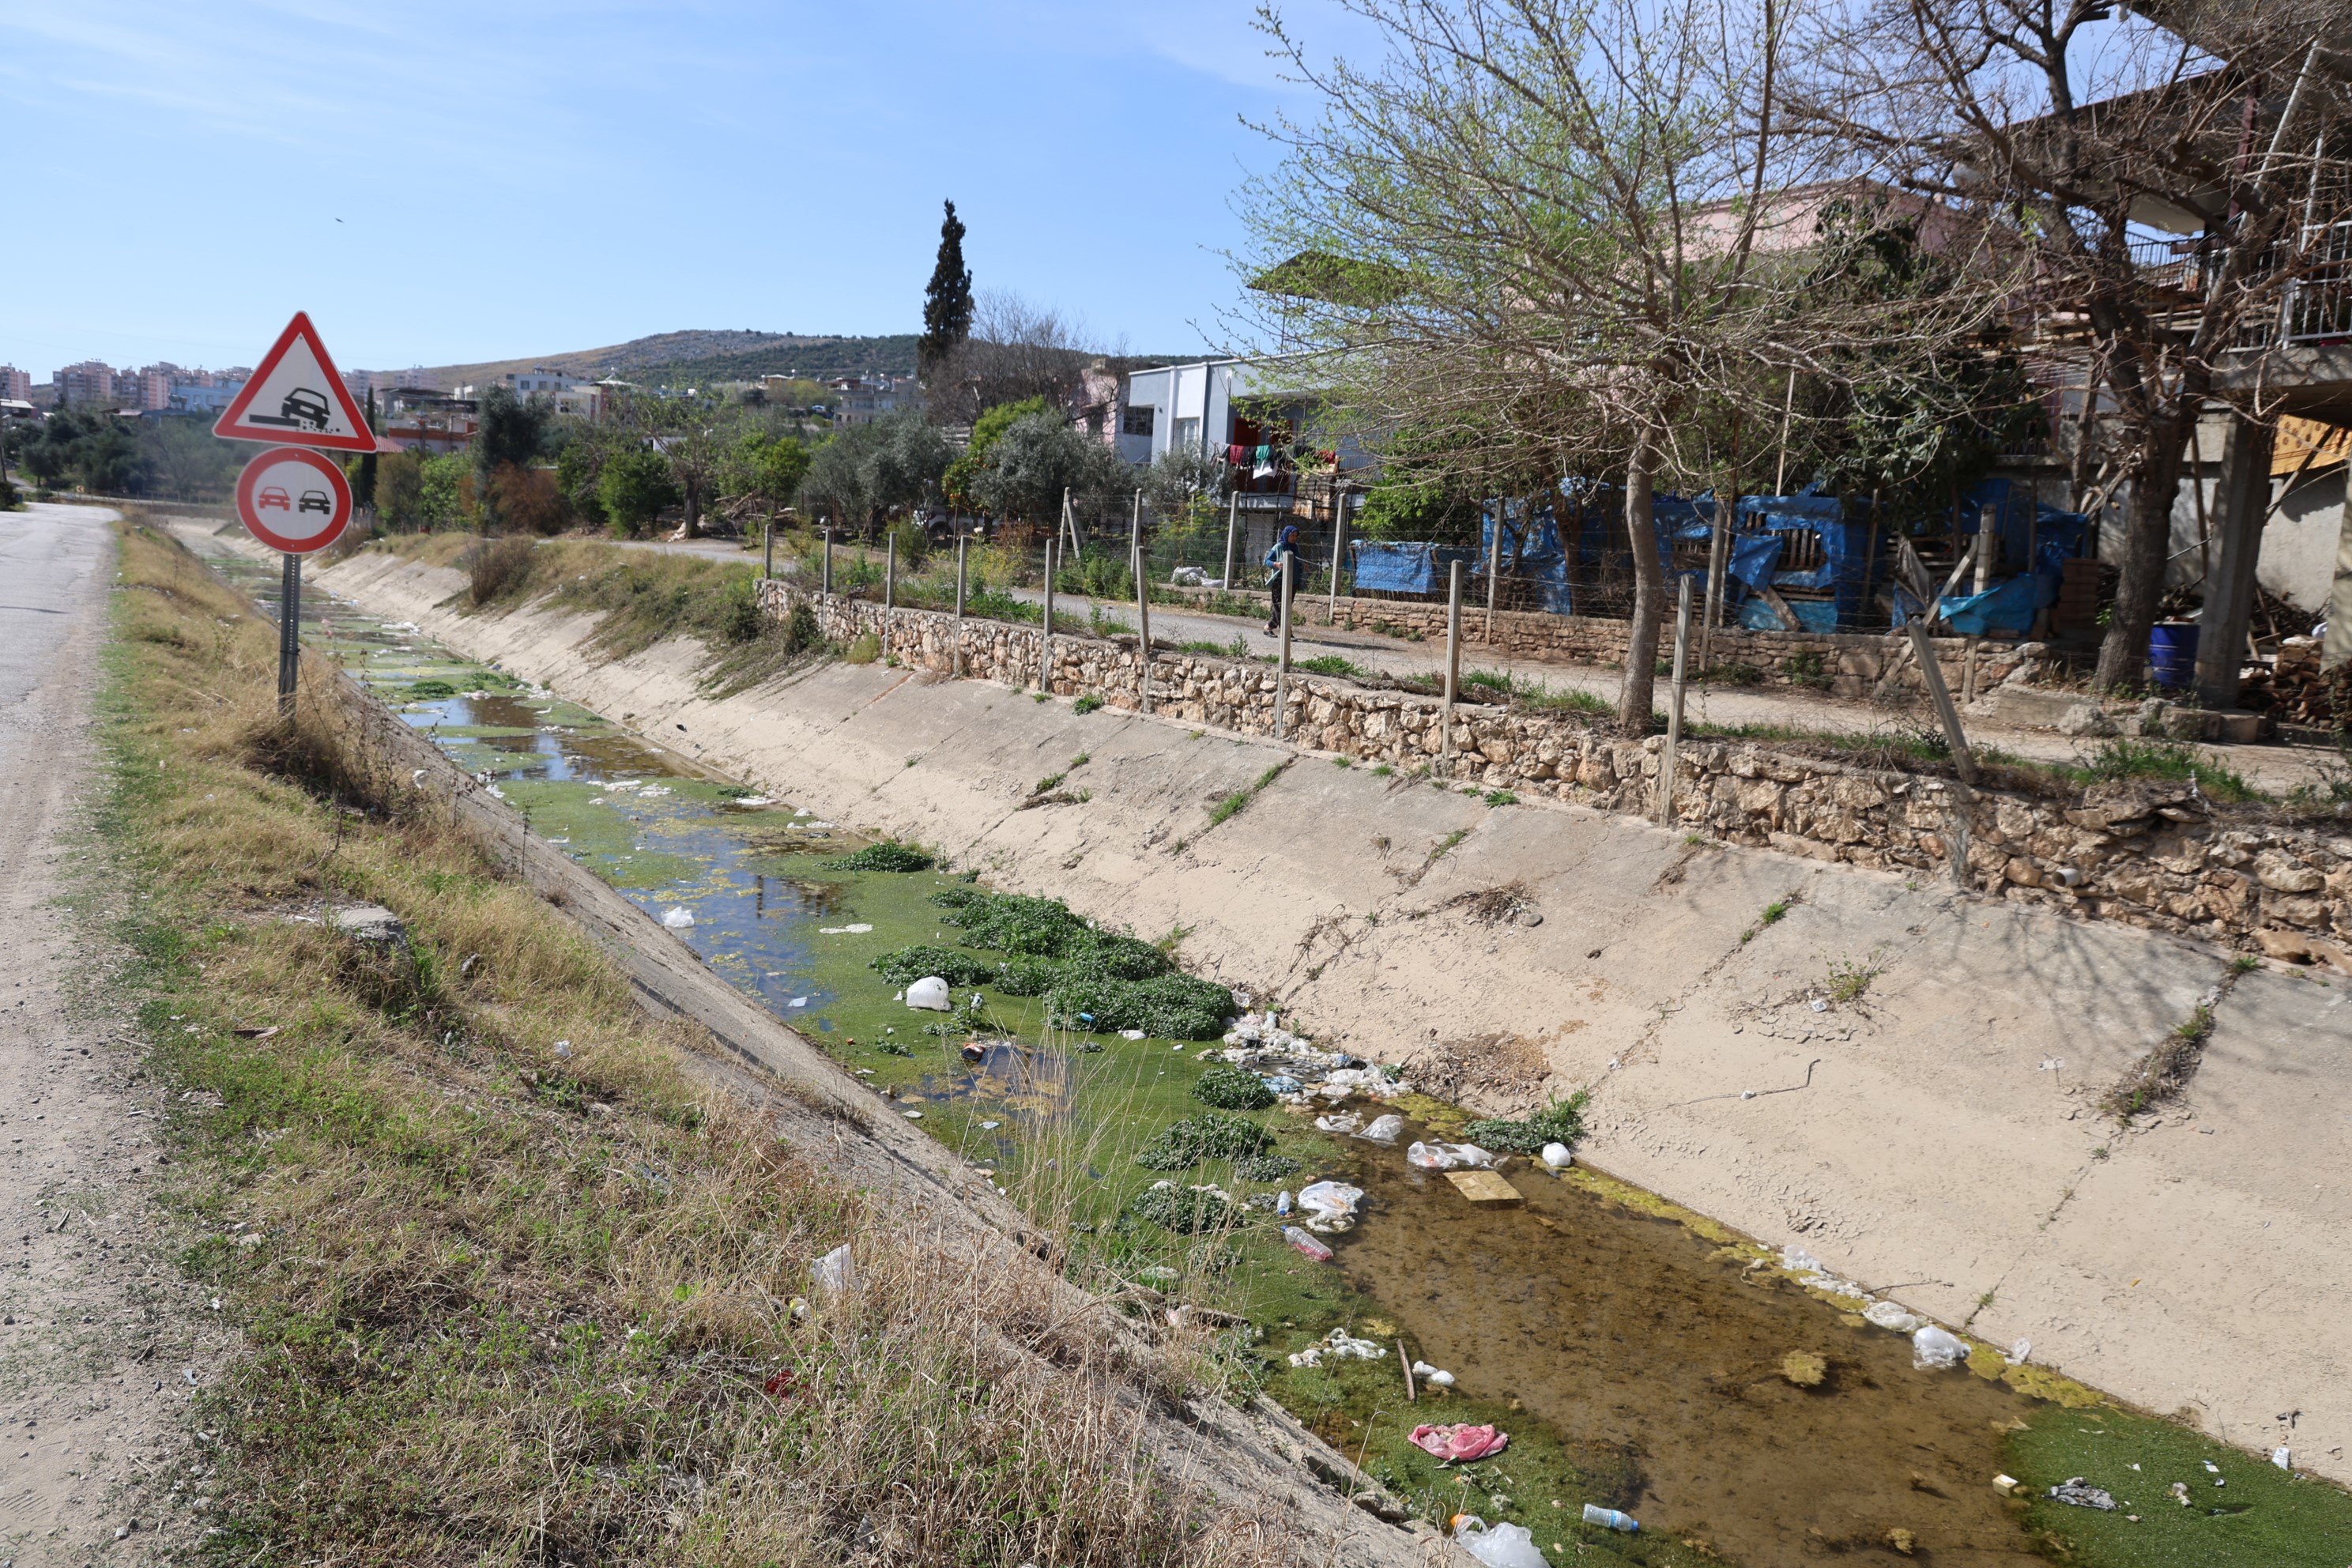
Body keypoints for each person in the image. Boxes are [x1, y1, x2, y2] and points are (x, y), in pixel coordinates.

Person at [1264, 523, 1302, 635]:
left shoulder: (1295, 548)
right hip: (1279, 581)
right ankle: (1286, 632)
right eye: (1292, 535)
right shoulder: (1278, 547)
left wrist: (1303, 565)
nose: (1294, 538)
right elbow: (1267, 561)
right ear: (1286, 535)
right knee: (1280, 606)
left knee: (1287, 606)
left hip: (1292, 581)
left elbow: (1298, 561)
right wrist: (1275, 564)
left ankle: (1269, 627)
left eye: (1296, 536)